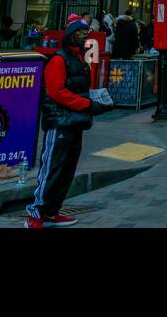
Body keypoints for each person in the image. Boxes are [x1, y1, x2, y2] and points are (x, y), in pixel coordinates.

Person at [26, 18, 109, 228]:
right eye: (81, 31)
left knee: (67, 169)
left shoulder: (78, 58)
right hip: (60, 122)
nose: (85, 35)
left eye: (86, 31)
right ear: (71, 35)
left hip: (74, 121)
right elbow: (57, 92)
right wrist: (87, 104)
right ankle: (36, 214)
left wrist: (95, 101)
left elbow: (77, 89)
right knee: (53, 168)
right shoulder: (59, 60)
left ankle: (52, 212)